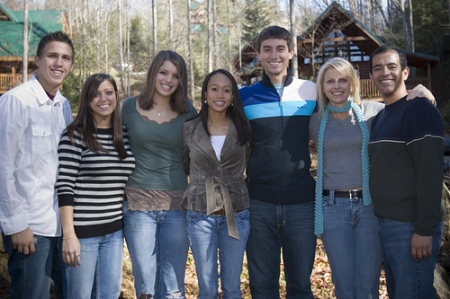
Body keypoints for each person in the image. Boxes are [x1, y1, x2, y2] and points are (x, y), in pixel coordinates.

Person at [310, 57, 435, 299]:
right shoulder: (314, 120)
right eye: (330, 81)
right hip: (332, 207)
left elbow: (406, 109)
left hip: (369, 207)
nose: (337, 86)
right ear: (323, 87)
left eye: (343, 80)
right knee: (344, 285)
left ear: (353, 84)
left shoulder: (374, 111)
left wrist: (425, 94)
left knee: (368, 286)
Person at [239, 26, 317, 298]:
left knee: (301, 286)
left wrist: (416, 93)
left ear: (291, 52)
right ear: (258, 54)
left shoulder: (310, 91)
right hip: (259, 202)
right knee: (262, 287)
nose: (274, 55)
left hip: (302, 203)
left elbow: (350, 106)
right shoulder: (244, 97)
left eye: (280, 48)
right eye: (268, 49)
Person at [0, 31, 74, 299]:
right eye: (52, 56)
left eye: (65, 58)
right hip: (30, 226)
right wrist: (16, 225)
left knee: (71, 290)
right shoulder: (16, 101)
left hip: (59, 224)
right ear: (37, 60)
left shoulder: (64, 106)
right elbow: (3, 165)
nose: (59, 63)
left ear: (71, 66)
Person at [368, 45, 445, 299]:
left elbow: (430, 173)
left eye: (391, 66)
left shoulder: (419, 109)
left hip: (411, 226)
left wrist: (423, 229)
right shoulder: (381, 117)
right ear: (371, 76)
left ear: (405, 72)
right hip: (386, 225)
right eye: (378, 68)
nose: (384, 73)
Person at [121, 50, 198, 299]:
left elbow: (199, 155)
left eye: (175, 75)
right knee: (145, 286)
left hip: (177, 205)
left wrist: (194, 185)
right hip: (137, 205)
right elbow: (114, 149)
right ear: (153, 73)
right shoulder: (128, 108)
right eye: (163, 72)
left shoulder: (189, 111)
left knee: (173, 286)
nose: (168, 80)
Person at [55, 74, 135, 298]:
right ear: (87, 100)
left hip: (114, 232)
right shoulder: (74, 135)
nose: (103, 98)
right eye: (95, 94)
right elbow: (65, 186)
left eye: (108, 92)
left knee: (109, 295)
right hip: (82, 235)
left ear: (117, 96)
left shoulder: (124, 135)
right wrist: (69, 235)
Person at [182, 69, 252, 299]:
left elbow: (248, 161)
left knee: (233, 288)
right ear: (205, 94)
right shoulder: (189, 129)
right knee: (208, 289)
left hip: (237, 213)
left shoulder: (244, 127)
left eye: (226, 89)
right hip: (200, 214)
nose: (220, 94)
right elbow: (185, 164)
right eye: (214, 88)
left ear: (233, 96)